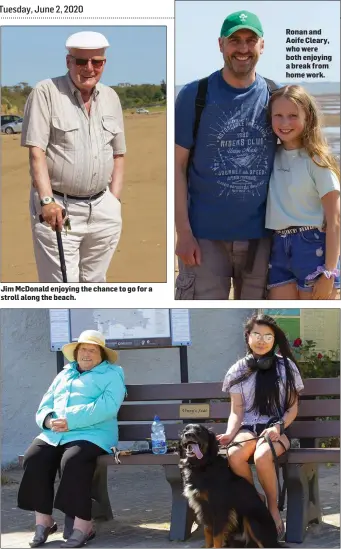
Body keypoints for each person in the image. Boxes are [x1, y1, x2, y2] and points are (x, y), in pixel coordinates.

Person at [175, 10, 278, 300]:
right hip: (204, 239)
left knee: (257, 319)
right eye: (235, 40)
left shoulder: (275, 96)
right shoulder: (195, 95)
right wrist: (183, 233)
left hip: (264, 237)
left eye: (250, 40)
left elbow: (294, 161)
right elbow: (177, 168)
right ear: (221, 44)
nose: (243, 48)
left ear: (262, 46)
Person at [21, 31, 126, 283]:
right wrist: (47, 201)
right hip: (59, 208)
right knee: (62, 286)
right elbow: (37, 151)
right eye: (81, 61)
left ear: (104, 64)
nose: (89, 68)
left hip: (103, 209)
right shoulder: (46, 92)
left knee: (95, 284)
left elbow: (119, 153)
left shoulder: (111, 97)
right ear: (69, 61)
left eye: (96, 62)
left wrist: (114, 201)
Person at [17, 330, 126, 548]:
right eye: (83, 349)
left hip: (93, 434)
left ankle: (84, 524)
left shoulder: (113, 374)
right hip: (55, 433)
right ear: (76, 353)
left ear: (102, 355)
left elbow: (107, 406)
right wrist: (48, 421)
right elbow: (45, 404)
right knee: (34, 457)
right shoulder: (65, 373)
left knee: (73, 460)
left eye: (92, 350)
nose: (87, 353)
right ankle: (44, 521)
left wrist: (70, 420)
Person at [216, 313, 304, 541]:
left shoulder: (287, 367)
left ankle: (273, 509)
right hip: (249, 428)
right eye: (257, 334)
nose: (262, 340)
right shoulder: (237, 370)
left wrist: (278, 427)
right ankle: (256, 501)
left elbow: (293, 408)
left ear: (274, 339)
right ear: (247, 337)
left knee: (263, 455)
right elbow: (237, 410)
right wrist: (230, 433)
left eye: (268, 336)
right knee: (234, 454)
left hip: (277, 428)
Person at [265, 85, 340, 300]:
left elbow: (335, 220)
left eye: (293, 116)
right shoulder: (271, 156)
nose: (285, 123)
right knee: (281, 314)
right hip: (278, 246)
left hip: (313, 246)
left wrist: (329, 272)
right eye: (278, 115)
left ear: (308, 117)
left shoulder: (317, 160)